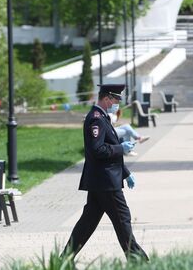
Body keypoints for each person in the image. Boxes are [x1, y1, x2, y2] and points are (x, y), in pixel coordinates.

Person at [62, 84, 149, 261]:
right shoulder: (97, 119)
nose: (117, 103)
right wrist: (120, 148)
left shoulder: (102, 117)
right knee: (123, 219)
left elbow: (109, 154)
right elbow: (97, 150)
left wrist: (125, 173)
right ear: (107, 98)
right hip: (105, 182)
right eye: (116, 99)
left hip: (101, 180)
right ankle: (138, 261)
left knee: (87, 223)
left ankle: (64, 260)